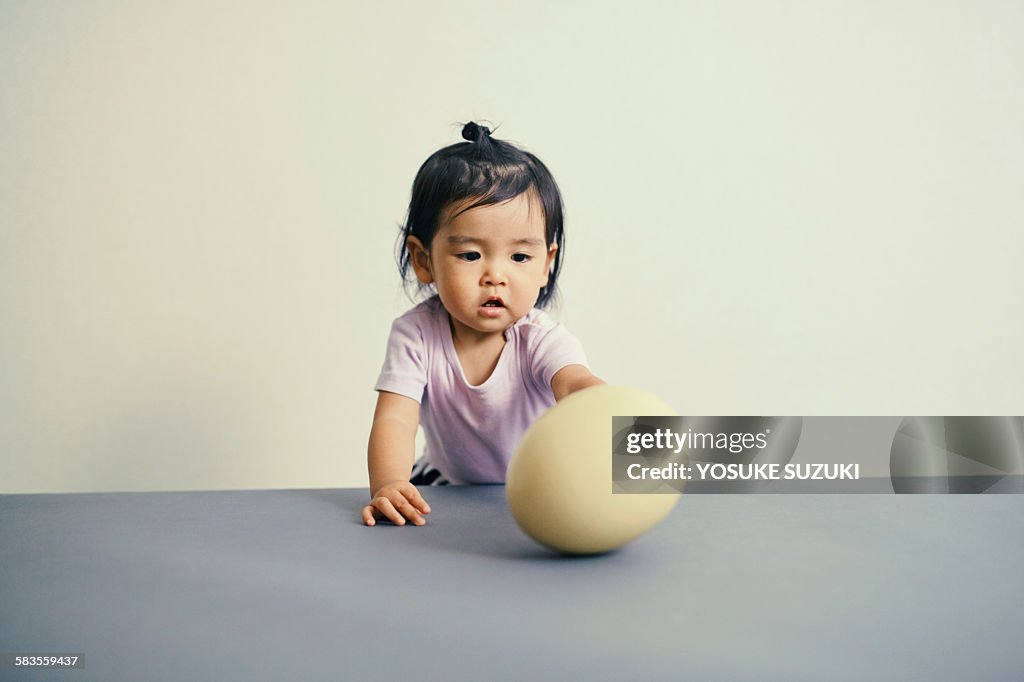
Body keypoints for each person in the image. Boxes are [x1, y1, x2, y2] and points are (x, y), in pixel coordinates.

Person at [363, 122, 604, 527]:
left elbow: (575, 382)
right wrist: (388, 483)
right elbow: (396, 418)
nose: (496, 275)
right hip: (447, 487)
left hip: (537, 486)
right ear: (424, 260)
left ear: (547, 263)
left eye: (520, 258)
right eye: (471, 255)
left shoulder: (539, 340)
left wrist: (601, 407)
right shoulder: (416, 334)